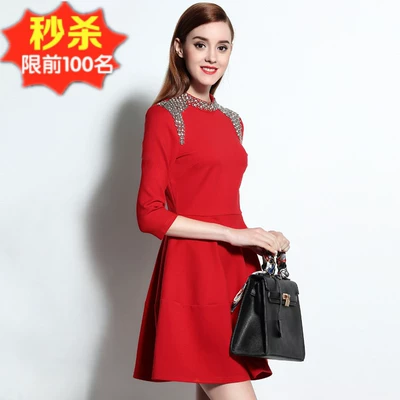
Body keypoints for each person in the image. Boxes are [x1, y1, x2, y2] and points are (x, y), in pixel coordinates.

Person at [132, 2, 290, 399]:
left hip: (234, 270)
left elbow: (221, 198)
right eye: (200, 44)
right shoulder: (165, 116)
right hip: (193, 272)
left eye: (222, 47)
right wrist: (233, 235)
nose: (212, 57)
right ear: (179, 48)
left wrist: (258, 238)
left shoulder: (232, 121)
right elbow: (150, 214)